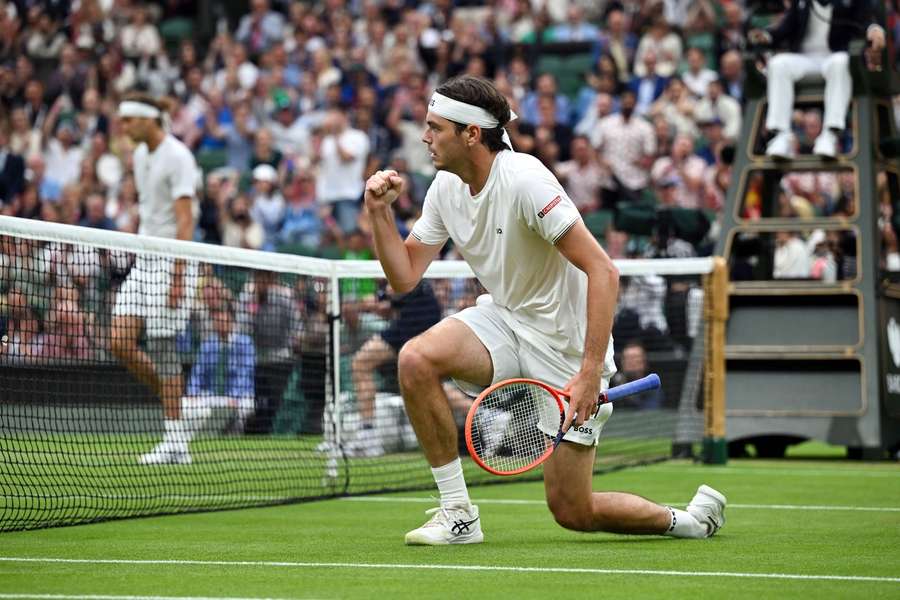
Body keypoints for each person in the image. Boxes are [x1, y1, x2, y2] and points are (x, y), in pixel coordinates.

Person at [363, 75, 726, 546]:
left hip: (566, 347)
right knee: (415, 359)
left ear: (471, 134)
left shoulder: (526, 180)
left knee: (573, 510)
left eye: (436, 127)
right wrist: (378, 213)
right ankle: (458, 514)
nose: (425, 137)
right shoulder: (444, 189)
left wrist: (591, 371)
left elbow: (604, 271)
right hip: (506, 318)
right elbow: (405, 276)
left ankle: (689, 521)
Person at [110, 94, 200, 465]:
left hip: (172, 264)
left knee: (164, 351)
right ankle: (179, 405)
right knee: (119, 341)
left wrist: (178, 276)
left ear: (150, 120)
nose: (124, 127)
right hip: (144, 262)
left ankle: (175, 440)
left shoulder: (179, 157)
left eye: (130, 120)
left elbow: (184, 221)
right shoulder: (141, 155)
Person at [750, 0, 886, 159]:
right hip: (805, 59)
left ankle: (830, 134)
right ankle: (782, 135)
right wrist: (766, 36)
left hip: (834, 56)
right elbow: (785, 28)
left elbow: (866, 19)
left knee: (841, 62)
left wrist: (874, 30)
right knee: (778, 64)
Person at [350, 281, 442, 457]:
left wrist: (378, 298)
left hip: (415, 319)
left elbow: (397, 287)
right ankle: (484, 416)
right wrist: (387, 303)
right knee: (428, 383)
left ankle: (368, 437)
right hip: (420, 315)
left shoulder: (396, 259)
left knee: (361, 363)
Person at [181, 294, 256, 439]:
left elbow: (244, 374)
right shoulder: (208, 344)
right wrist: (192, 392)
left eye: (222, 319)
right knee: (187, 404)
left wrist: (233, 397)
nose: (219, 323)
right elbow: (197, 373)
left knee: (245, 407)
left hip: (240, 396)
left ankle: (234, 436)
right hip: (212, 395)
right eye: (216, 319)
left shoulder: (245, 343)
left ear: (231, 320)